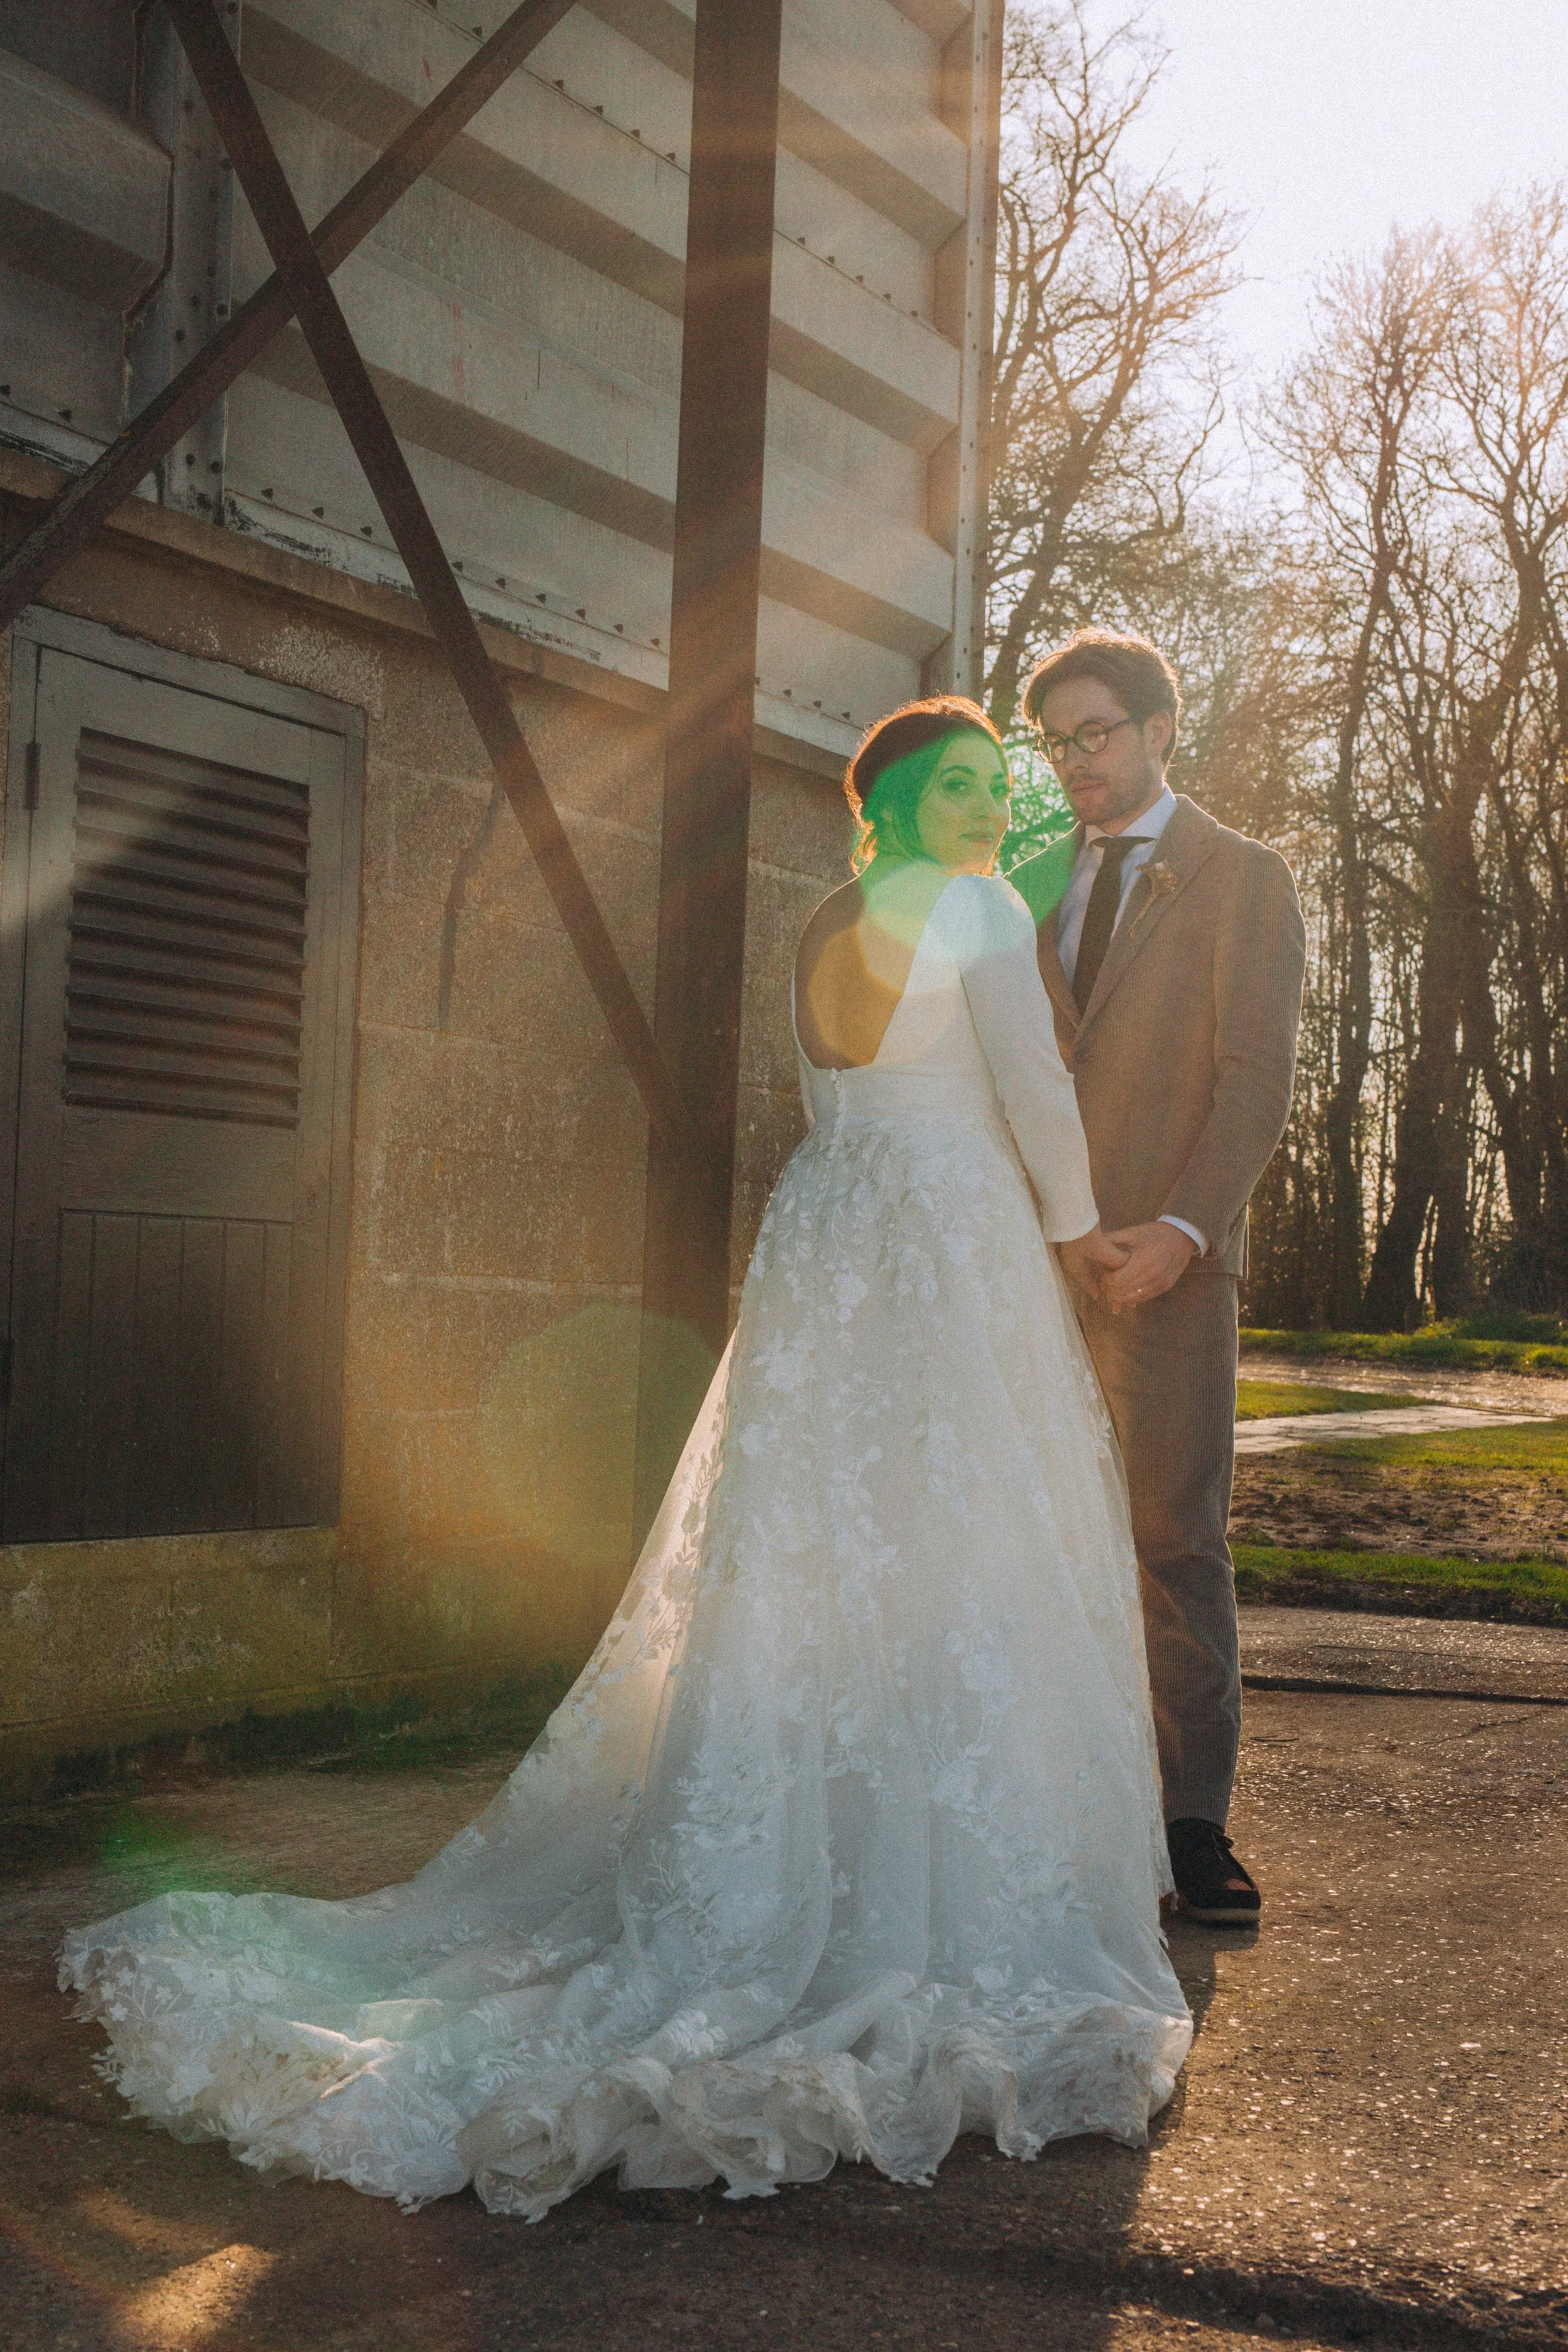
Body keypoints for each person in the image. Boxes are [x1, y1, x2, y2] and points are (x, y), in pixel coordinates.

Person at [61, 697, 1192, 2220]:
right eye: (963, 785)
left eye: (1002, 786)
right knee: (961, 1530)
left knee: (810, 1530)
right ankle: (911, 1877)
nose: (994, 809)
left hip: (831, 1223)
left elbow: (815, 1100)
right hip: (944, 1235)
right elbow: (1033, 1091)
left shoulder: (828, 915)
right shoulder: (983, 914)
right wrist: (1069, 1238)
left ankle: (818, 1838)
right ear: (900, 798)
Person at [1008, 632, 1306, 1927]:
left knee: (1169, 1536)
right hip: (1024, 1258)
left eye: (1098, 734)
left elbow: (1255, 1079)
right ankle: (1045, 1809)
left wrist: (1180, 1230)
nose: (1077, 762)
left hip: (1170, 1263)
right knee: (1020, 1531)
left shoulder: (1243, 877)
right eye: (1056, 742)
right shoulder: (1019, 881)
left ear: (1160, 728)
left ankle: (1191, 1828)